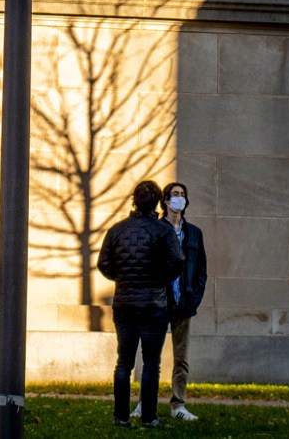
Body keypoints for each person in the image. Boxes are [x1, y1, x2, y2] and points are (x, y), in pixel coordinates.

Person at [98, 179, 184, 428]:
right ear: (158, 202)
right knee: (151, 363)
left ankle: (121, 417)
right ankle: (149, 417)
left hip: (124, 303)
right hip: (153, 305)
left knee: (124, 362)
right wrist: (160, 279)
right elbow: (177, 261)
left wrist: (122, 277)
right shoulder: (162, 231)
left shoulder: (117, 230)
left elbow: (104, 263)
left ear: (134, 200)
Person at [158, 181, 207, 421]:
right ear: (166, 200)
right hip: (159, 302)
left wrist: (194, 299)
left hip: (184, 303)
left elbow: (201, 271)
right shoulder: (156, 229)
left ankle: (178, 405)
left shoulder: (194, 233)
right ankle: (143, 404)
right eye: (175, 194)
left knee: (182, 358)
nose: (180, 198)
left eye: (183, 195)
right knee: (151, 357)